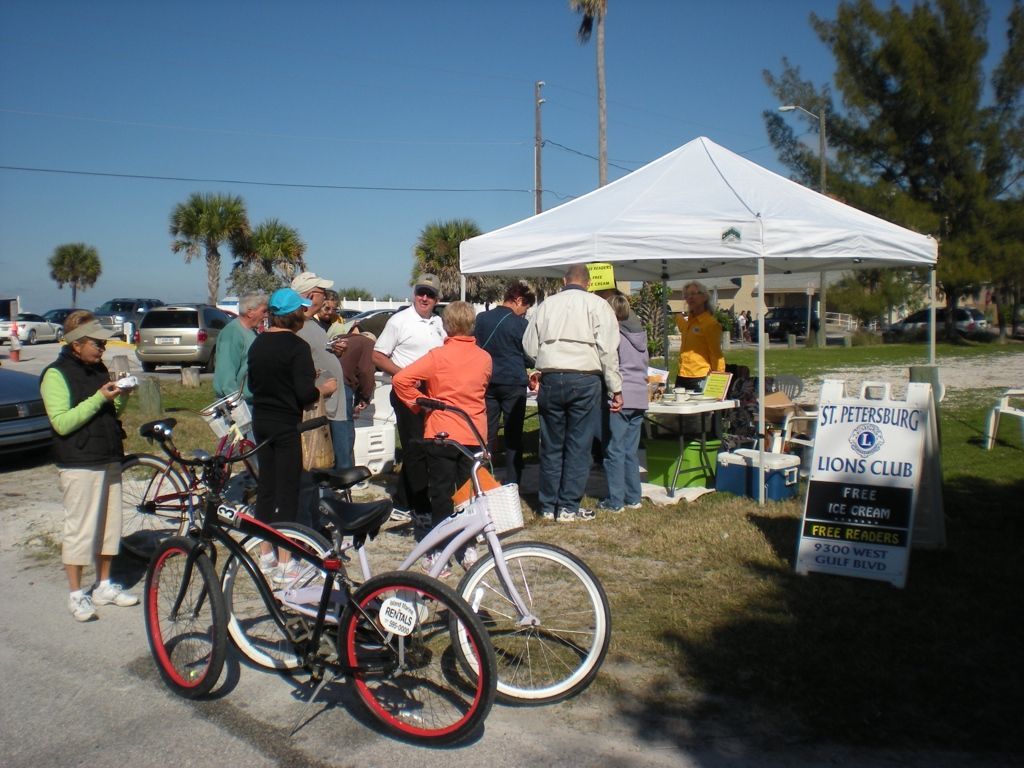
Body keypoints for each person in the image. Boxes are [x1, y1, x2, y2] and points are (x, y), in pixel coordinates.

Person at [40, 311, 138, 621]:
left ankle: (104, 585)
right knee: (80, 528)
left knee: (110, 527)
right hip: (79, 460)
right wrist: (98, 398)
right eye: (96, 343)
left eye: (103, 343)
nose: (102, 349)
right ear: (76, 344)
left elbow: (112, 410)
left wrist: (120, 395)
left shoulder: (99, 369)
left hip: (108, 455)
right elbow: (61, 423)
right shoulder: (55, 374)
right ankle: (75, 593)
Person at [392, 301, 491, 573]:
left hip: (442, 430)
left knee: (441, 492)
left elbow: (401, 379)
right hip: (473, 431)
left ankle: (439, 551)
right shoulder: (484, 358)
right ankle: (468, 545)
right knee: (468, 492)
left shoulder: (437, 356)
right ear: (472, 325)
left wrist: (419, 402)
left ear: (446, 325)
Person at [247, 288, 337, 581]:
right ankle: (286, 561)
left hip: (261, 419)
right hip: (286, 423)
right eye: (301, 309)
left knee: (267, 488)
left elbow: (258, 383)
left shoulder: (258, 344)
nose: (304, 312)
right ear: (292, 315)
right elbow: (303, 394)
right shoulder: (296, 347)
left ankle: (265, 553)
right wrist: (321, 389)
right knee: (287, 490)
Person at [522, 263, 623, 522]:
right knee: (578, 445)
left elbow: (529, 345)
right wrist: (616, 388)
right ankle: (568, 506)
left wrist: (546, 359)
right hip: (585, 378)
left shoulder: (546, 305)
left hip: (553, 377)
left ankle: (547, 505)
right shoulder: (599, 306)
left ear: (564, 281)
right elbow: (608, 351)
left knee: (552, 444)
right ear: (588, 283)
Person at [372, 274, 446, 511]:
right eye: (421, 292)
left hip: (432, 393)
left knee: (424, 447)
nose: (424, 298)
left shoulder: (438, 323)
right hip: (406, 391)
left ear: (437, 299)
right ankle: (418, 505)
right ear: (414, 294)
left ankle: (404, 501)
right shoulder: (399, 321)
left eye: (430, 294)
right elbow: (378, 355)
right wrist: (403, 375)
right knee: (415, 448)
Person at [473, 281, 536, 484]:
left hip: (488, 381)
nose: (524, 312)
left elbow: (476, 347)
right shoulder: (520, 324)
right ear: (518, 301)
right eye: (525, 307)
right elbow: (528, 355)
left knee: (487, 432)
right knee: (513, 433)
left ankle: (483, 477)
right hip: (513, 382)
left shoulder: (482, 319)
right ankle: (513, 480)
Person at [291, 271, 351, 482]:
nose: (325, 297)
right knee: (321, 460)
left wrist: (334, 351)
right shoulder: (296, 327)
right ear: (309, 296)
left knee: (336, 455)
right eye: (321, 293)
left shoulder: (311, 324)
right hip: (319, 405)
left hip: (332, 404)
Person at [598, 293, 649, 514]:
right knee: (630, 450)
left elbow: (610, 365)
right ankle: (633, 496)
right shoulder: (639, 335)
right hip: (640, 395)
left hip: (621, 395)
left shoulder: (614, 335)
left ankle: (615, 500)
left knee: (614, 449)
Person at [329, 327, 377, 465]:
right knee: (344, 428)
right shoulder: (368, 343)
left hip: (325, 383)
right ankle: (345, 470)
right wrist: (365, 396)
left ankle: (329, 468)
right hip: (343, 385)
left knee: (330, 427)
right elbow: (366, 371)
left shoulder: (340, 338)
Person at [213, 291, 268, 400]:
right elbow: (226, 375)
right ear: (250, 312)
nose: (266, 315)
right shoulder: (232, 333)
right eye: (264, 311)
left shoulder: (252, 332)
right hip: (237, 403)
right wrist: (237, 405)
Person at [674, 280, 725, 391]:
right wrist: (678, 318)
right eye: (687, 295)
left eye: (693, 294)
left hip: (700, 376)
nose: (690, 298)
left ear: (704, 297)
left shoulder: (710, 324)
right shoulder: (690, 323)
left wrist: (718, 381)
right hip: (682, 375)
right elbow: (684, 329)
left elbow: (716, 354)